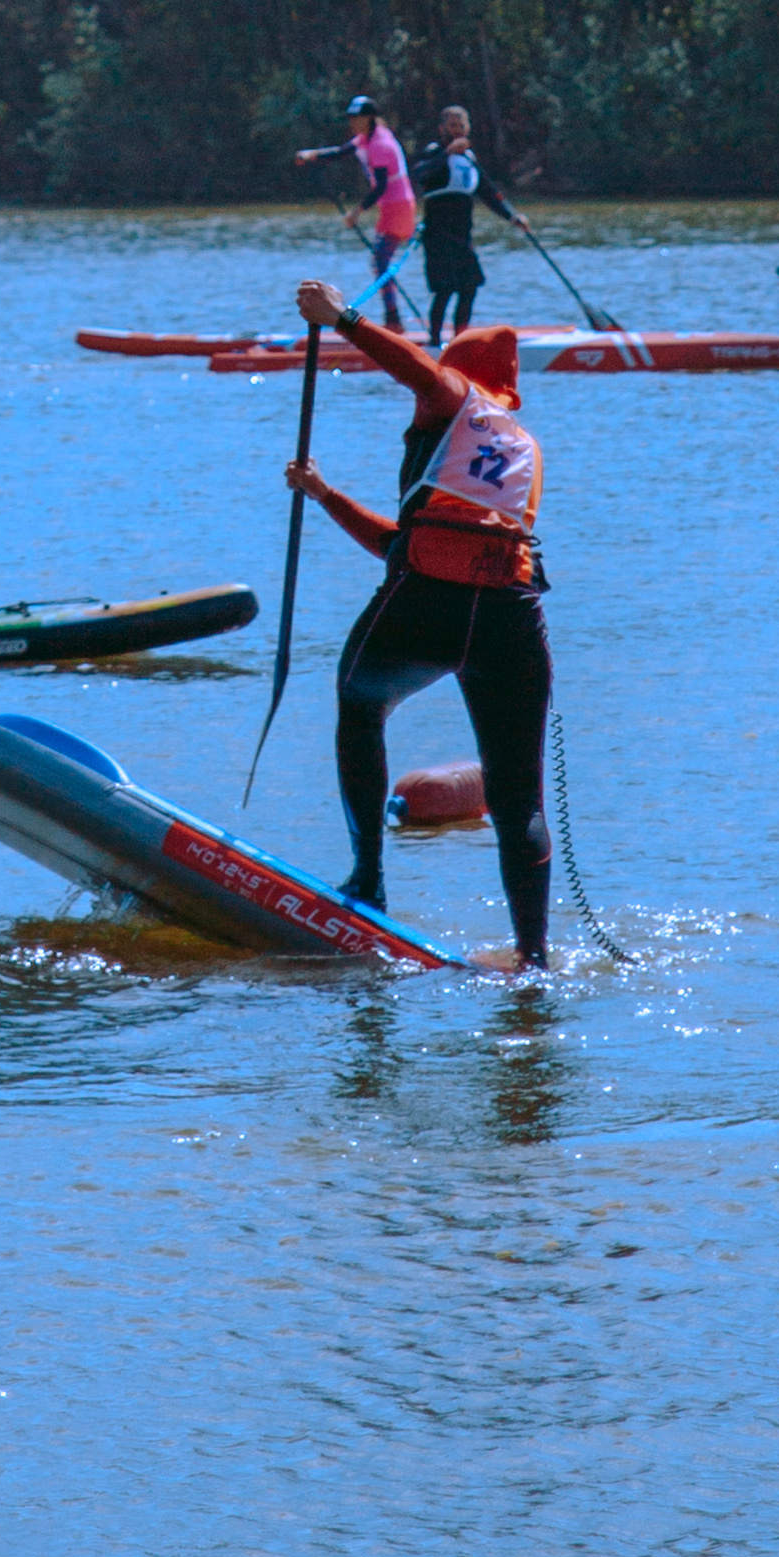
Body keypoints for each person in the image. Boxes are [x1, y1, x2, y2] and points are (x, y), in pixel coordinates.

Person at [281, 275, 555, 974]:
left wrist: (341, 316)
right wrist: (326, 495)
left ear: (460, 371)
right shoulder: (519, 446)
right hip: (510, 617)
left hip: (430, 601)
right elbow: (406, 539)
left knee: (358, 701)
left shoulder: (453, 397)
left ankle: (368, 879)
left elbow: (420, 371)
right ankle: (533, 958)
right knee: (517, 793)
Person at [408, 105, 518, 343]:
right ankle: (435, 341)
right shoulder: (434, 152)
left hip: (461, 236)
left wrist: (512, 216)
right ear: (442, 129)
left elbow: (488, 192)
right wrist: (447, 153)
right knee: (444, 290)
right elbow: (419, 174)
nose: (458, 130)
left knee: (469, 286)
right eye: (452, 125)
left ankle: (460, 339)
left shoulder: (469, 159)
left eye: (462, 125)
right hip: (438, 235)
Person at [343, 95, 419, 330]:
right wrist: (313, 156)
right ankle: (393, 318)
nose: (353, 122)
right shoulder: (366, 139)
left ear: (371, 119)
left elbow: (382, 187)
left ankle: (393, 320)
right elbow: (340, 152)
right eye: (352, 118)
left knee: (380, 261)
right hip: (391, 206)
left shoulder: (380, 144)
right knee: (380, 263)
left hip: (398, 206)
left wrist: (356, 212)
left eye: (358, 118)